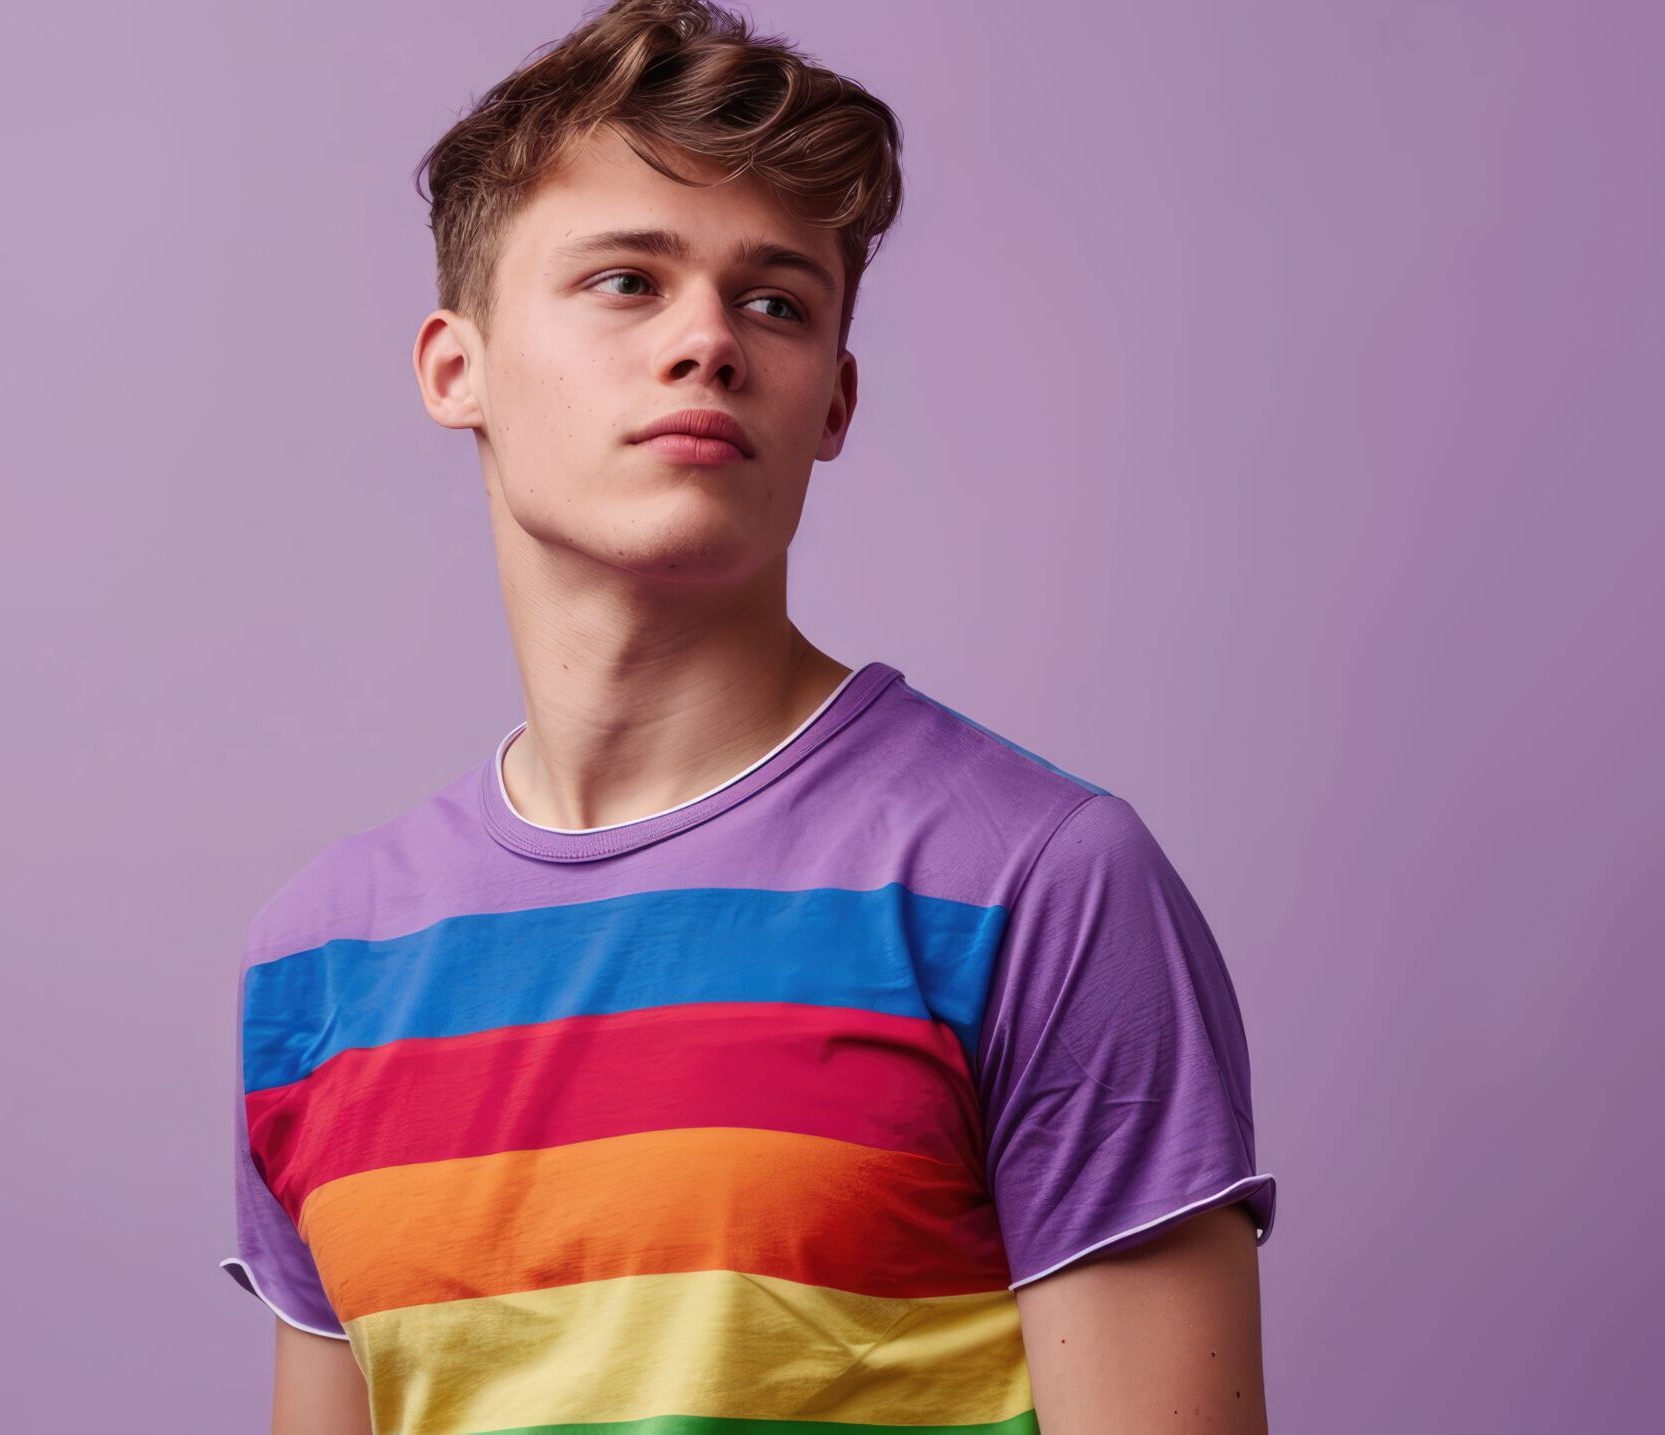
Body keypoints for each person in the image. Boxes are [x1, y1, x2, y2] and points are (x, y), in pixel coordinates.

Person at [221, 2, 1278, 1431]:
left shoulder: (1042, 889)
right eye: (625, 281)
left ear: (831, 400)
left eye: (775, 300)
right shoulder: (321, 963)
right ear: (452, 364)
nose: (708, 340)